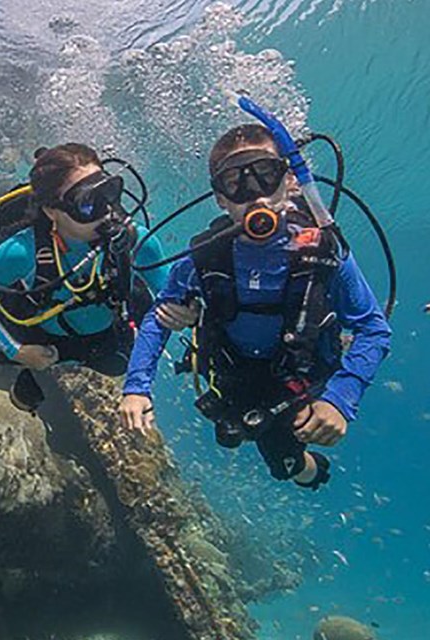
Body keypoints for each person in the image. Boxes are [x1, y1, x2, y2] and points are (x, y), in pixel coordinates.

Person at [120, 124, 392, 490]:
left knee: (288, 466)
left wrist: (340, 399)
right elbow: (158, 318)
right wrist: (136, 387)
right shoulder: (204, 256)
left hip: (302, 377)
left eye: (266, 175)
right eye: (236, 183)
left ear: (291, 181)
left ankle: (310, 468)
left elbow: (373, 328)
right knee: (232, 431)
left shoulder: (324, 254)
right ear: (220, 198)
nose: (255, 195)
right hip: (234, 373)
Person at [0, 143, 195, 410]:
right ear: (51, 211)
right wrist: (17, 351)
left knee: (118, 364)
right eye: (86, 203)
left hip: (103, 335)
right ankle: (21, 371)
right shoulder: (22, 251)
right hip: (41, 334)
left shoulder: (134, 240)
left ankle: (46, 375)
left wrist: (185, 313)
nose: (106, 211)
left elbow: (172, 298)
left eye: (108, 192)